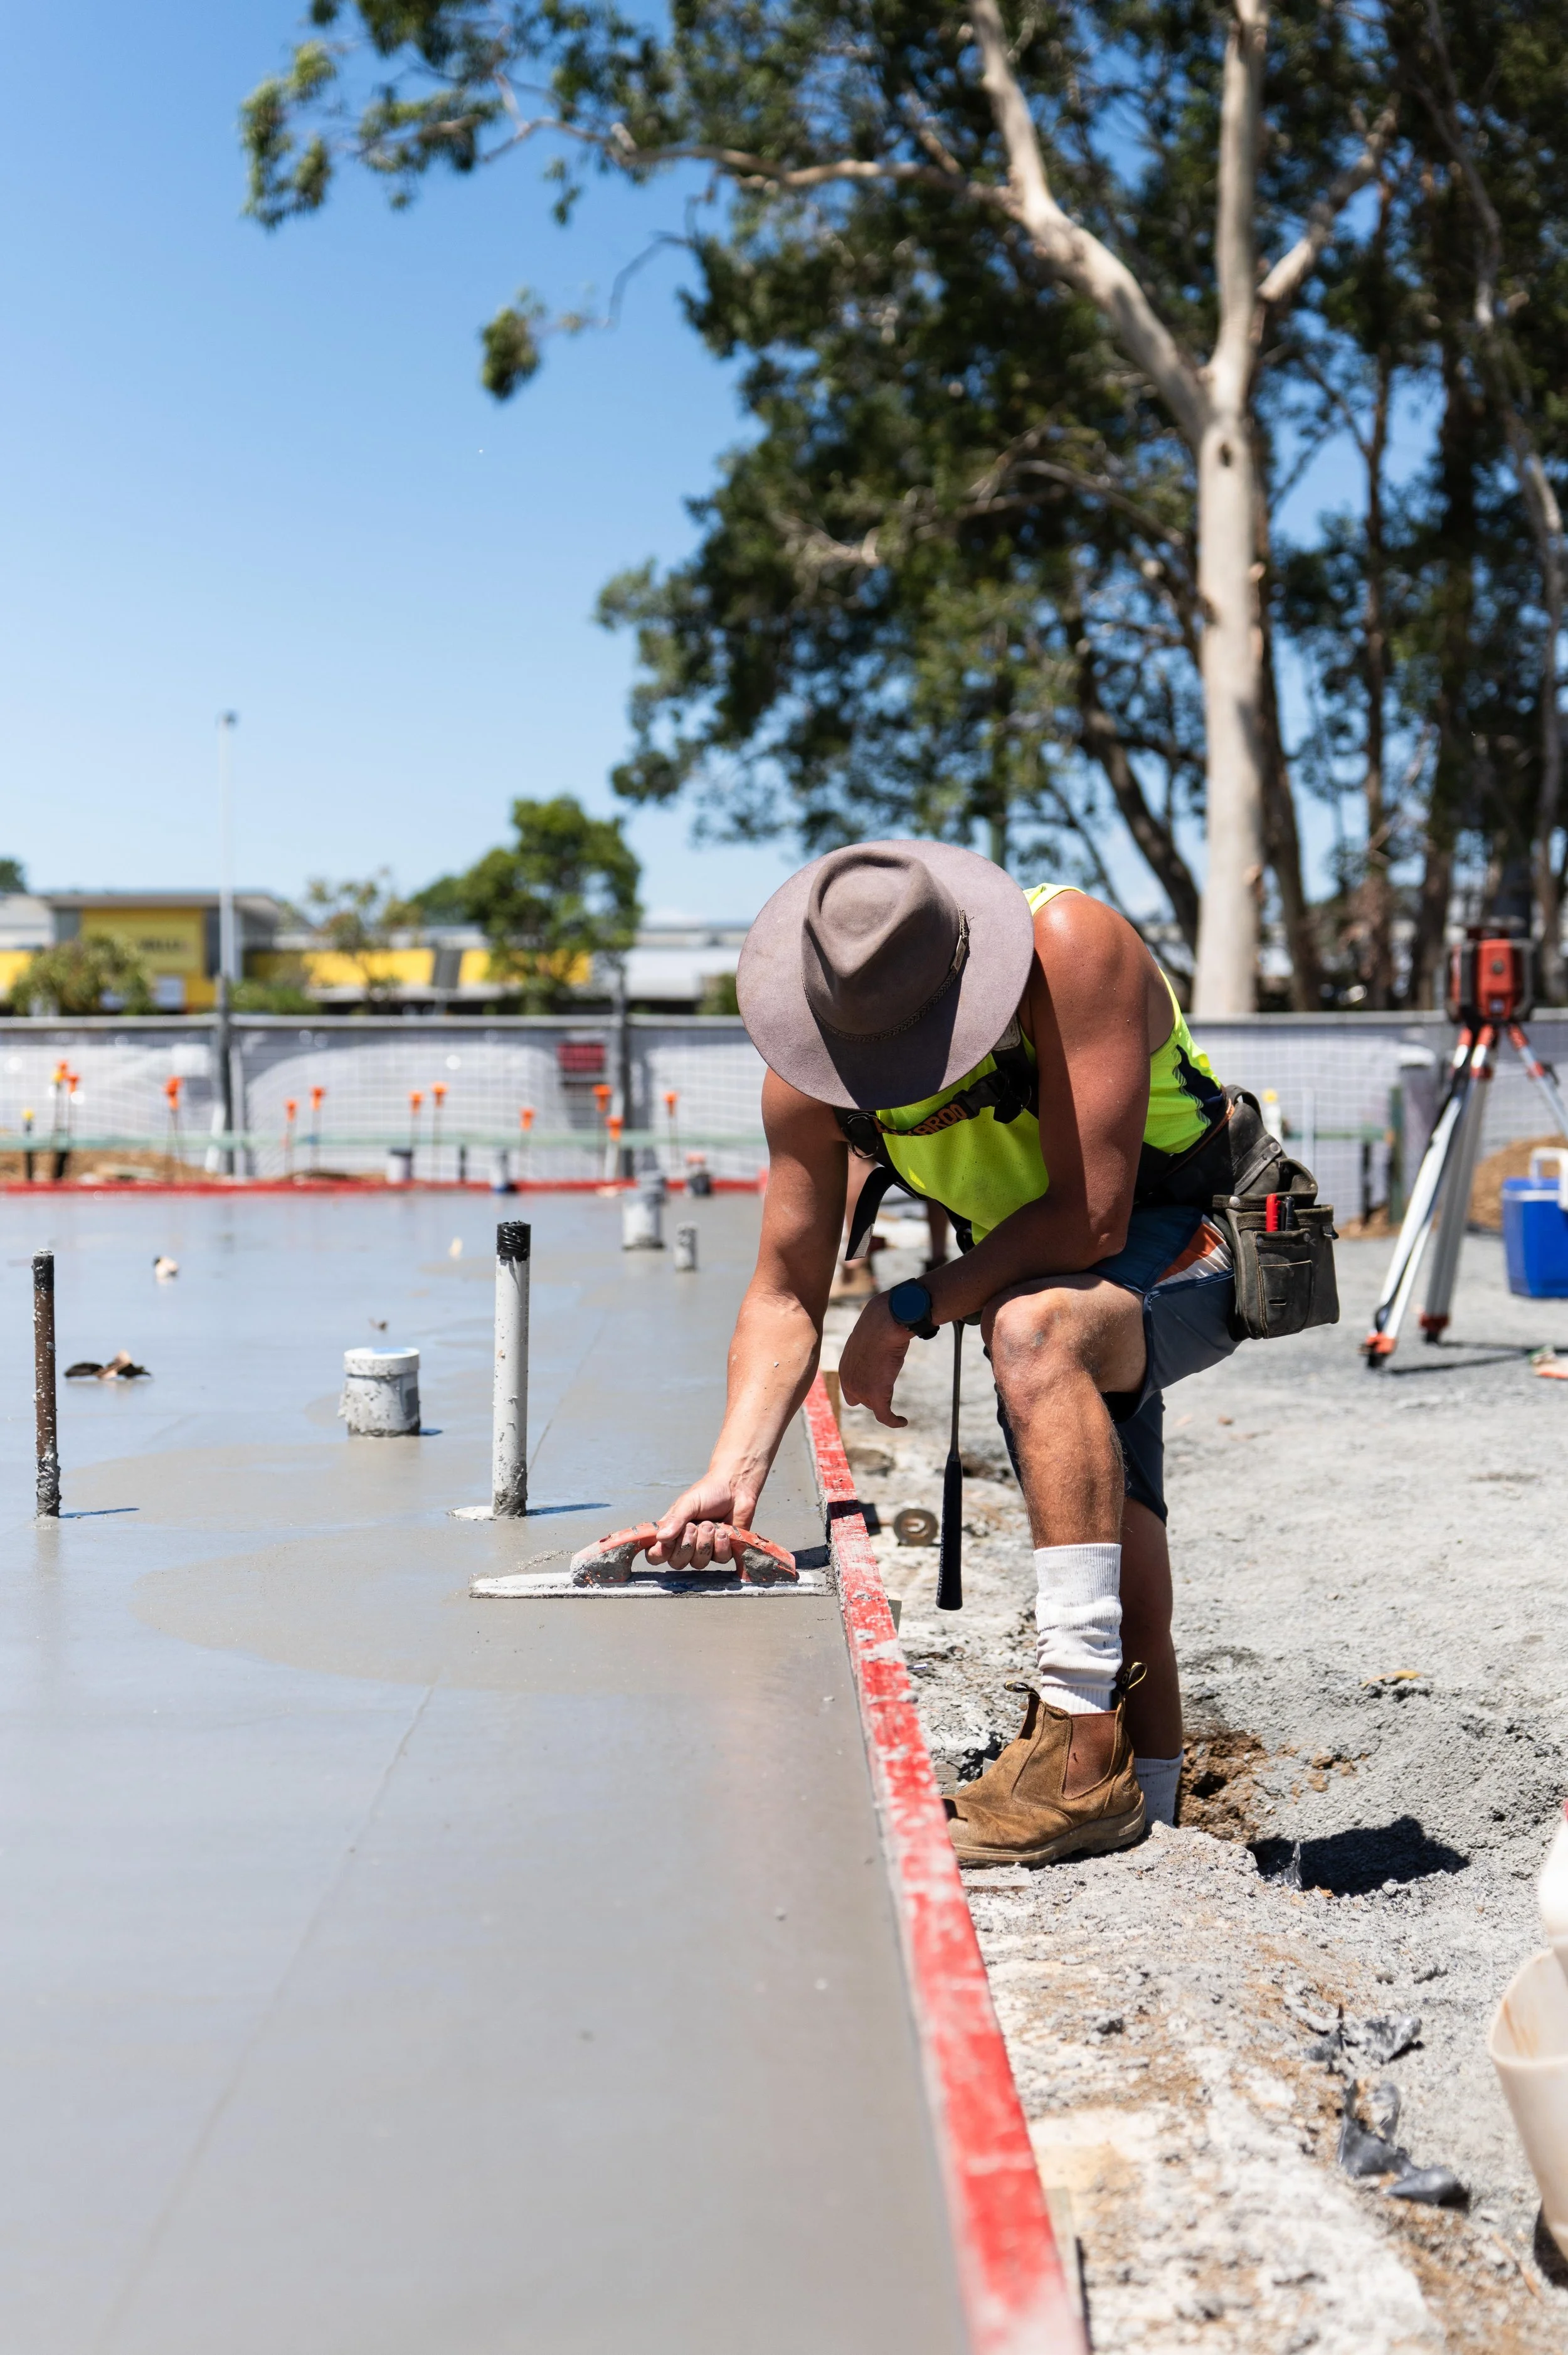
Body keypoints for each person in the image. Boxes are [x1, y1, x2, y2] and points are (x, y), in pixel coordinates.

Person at [649, 841, 1253, 1866]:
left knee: (1027, 1330)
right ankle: (1154, 1831)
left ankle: (1071, 1753)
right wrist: (733, 1470)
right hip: (1048, 1274)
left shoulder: (1071, 948)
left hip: (1202, 1229)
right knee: (1121, 1566)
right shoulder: (813, 1074)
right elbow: (786, 1290)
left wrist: (916, 1301)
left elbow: (1094, 1215)